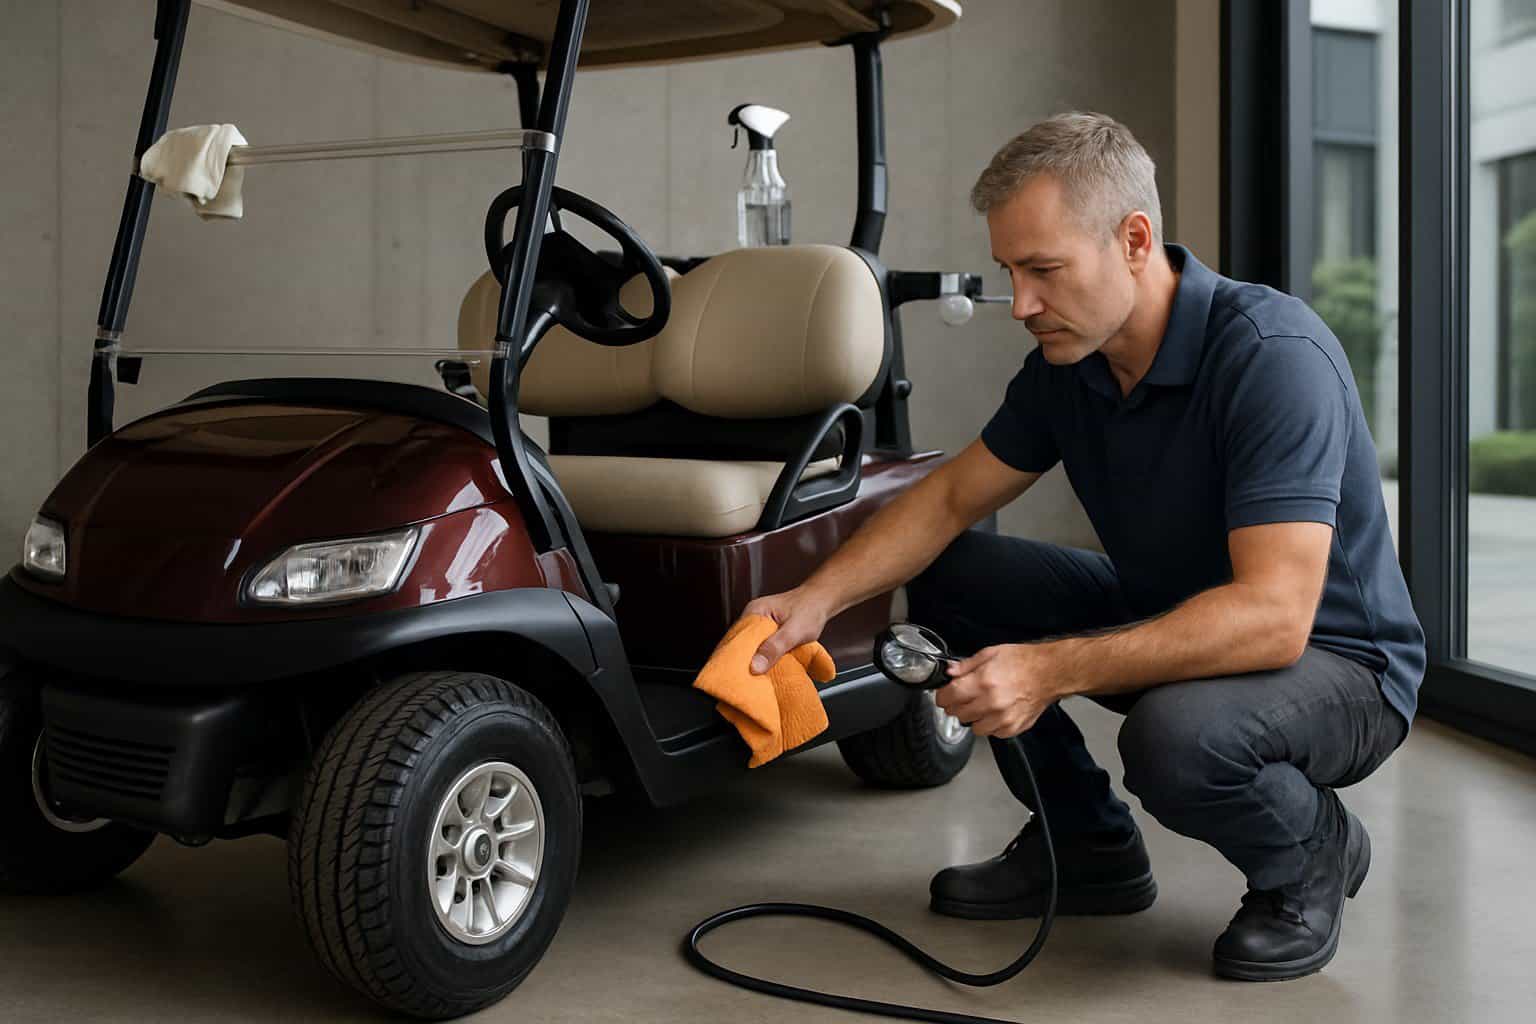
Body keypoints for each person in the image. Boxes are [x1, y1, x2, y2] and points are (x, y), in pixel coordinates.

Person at [741, 111, 1424, 982]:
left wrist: (1048, 668)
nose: (1021, 303)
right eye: (1010, 272)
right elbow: (950, 497)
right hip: (1179, 614)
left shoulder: (1270, 357)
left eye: (1045, 270)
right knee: (959, 572)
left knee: (1175, 741)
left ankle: (1310, 851)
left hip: (1338, 664)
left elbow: (1274, 619)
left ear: (1134, 240)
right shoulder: (1072, 364)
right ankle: (1085, 843)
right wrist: (815, 601)